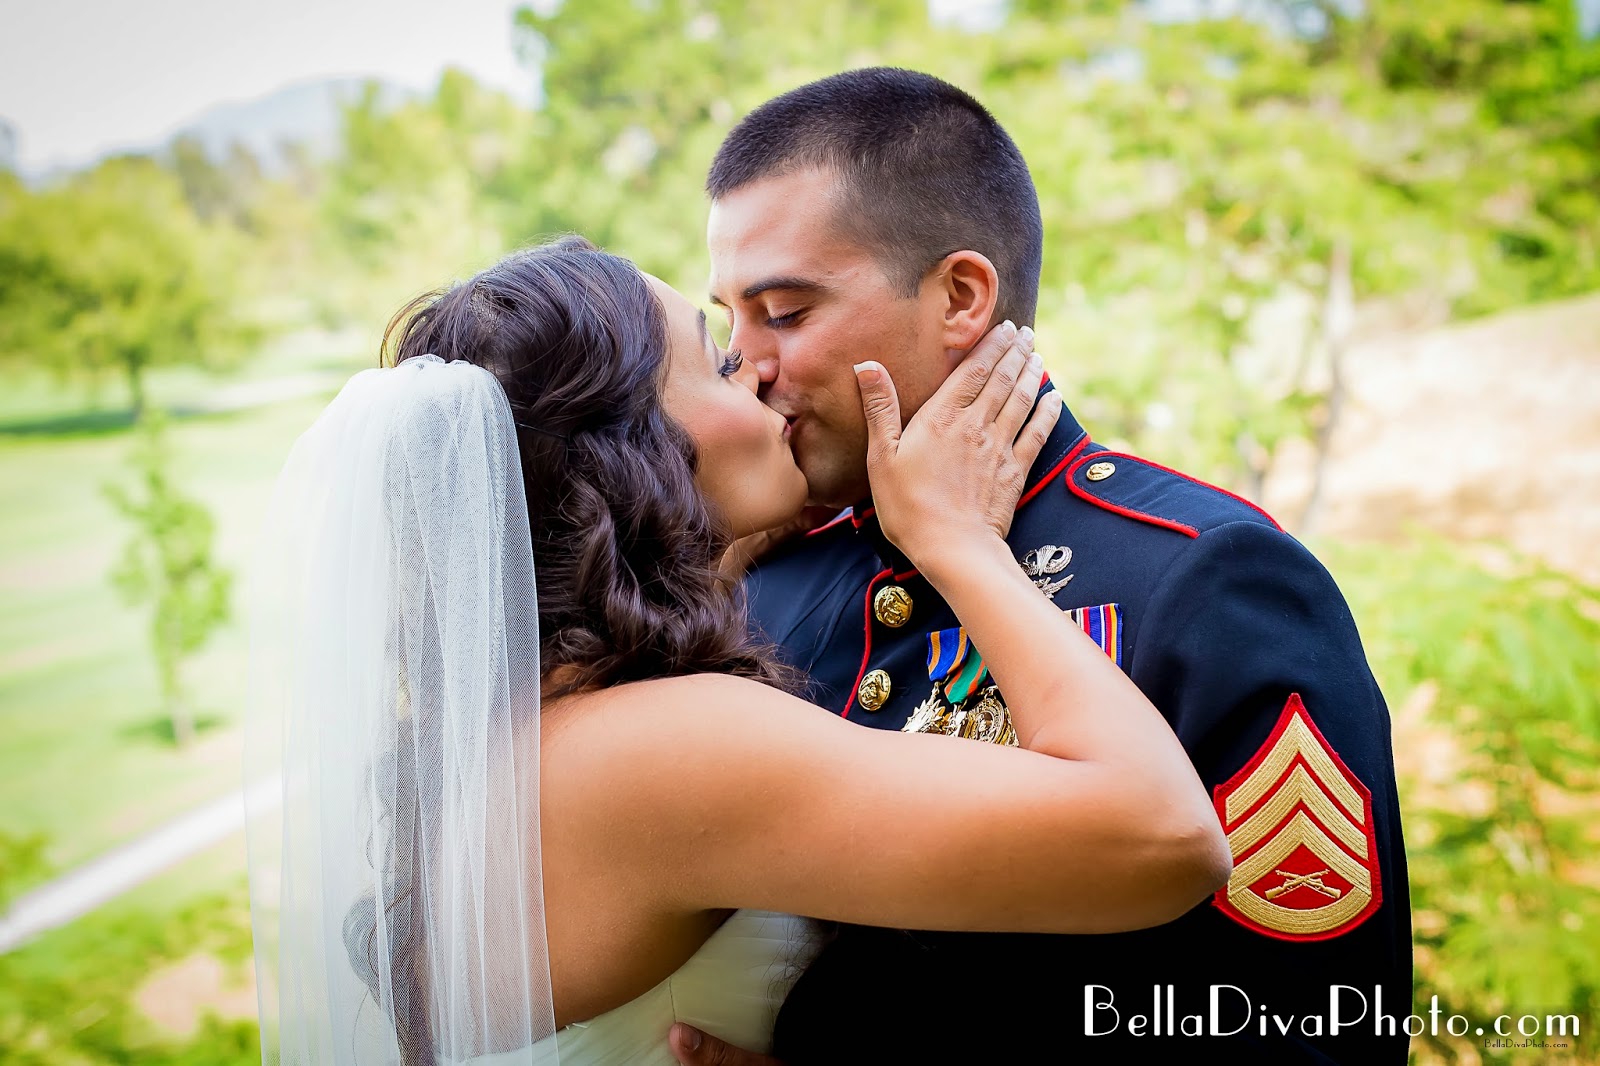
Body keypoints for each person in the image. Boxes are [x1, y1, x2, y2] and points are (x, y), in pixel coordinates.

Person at [245, 236, 1233, 1065]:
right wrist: (958, 540)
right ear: (639, 450)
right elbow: (1164, 838)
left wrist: (714, 545)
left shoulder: (510, 726)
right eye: (718, 362)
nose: (758, 371)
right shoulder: (660, 749)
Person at [675, 67, 1412, 1065]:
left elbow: (1320, 1035)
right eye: (728, 318)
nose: (745, 365)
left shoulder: (1200, 576)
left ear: (961, 297)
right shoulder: (769, 574)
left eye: (785, 312)